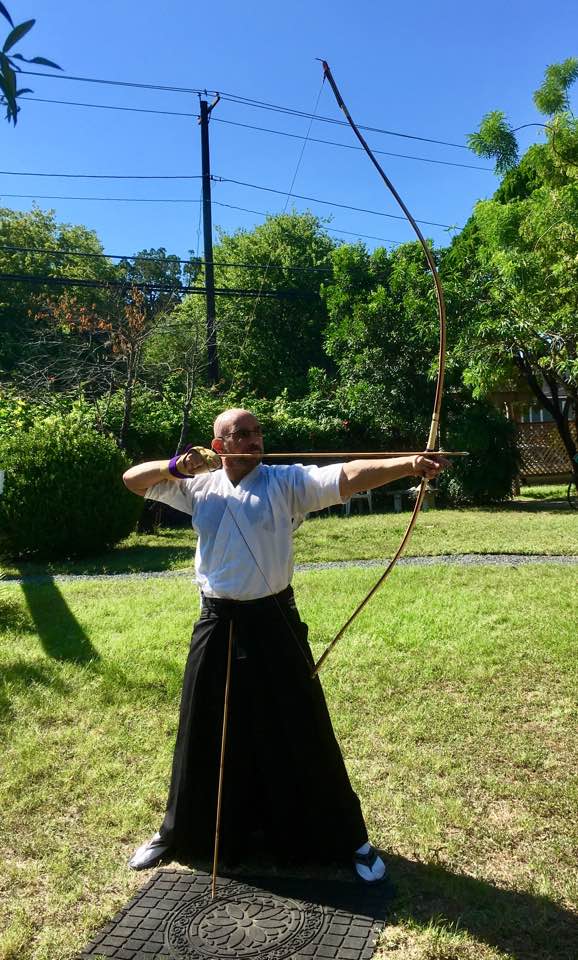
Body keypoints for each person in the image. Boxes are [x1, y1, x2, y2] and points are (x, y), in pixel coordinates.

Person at [122, 408, 448, 882]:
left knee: (304, 724)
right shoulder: (199, 484)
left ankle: (348, 840)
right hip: (216, 620)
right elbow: (132, 480)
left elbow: (349, 475)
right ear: (218, 445)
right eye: (241, 434)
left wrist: (408, 463)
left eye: (257, 433)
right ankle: (178, 833)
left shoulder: (285, 482)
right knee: (202, 726)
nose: (253, 441)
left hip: (273, 620)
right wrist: (176, 466)